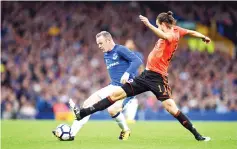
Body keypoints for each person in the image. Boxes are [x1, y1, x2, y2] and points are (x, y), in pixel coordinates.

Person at [73, 11, 211, 142]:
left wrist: (149, 25)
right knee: (116, 95)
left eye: (158, 25)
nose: (158, 28)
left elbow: (165, 36)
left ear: (163, 24)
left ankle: (197, 135)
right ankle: (83, 113)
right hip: (146, 75)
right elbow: (191, 32)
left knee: (171, 108)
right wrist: (203, 36)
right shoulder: (177, 29)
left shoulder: (172, 34)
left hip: (158, 78)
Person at [53, 31, 143, 141]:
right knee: (86, 104)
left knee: (112, 110)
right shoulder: (106, 55)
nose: (99, 46)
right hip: (113, 86)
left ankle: (125, 130)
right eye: (98, 44)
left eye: (101, 43)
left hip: (127, 88)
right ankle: (71, 134)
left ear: (109, 40)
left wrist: (127, 73)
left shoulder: (120, 49)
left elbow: (137, 61)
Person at [123, 39, 145, 123]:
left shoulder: (138, 54)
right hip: (123, 79)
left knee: (132, 99)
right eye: (126, 43)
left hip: (133, 79)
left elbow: (141, 67)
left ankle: (129, 118)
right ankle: (124, 116)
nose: (128, 45)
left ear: (133, 45)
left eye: (129, 43)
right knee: (125, 98)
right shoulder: (122, 55)